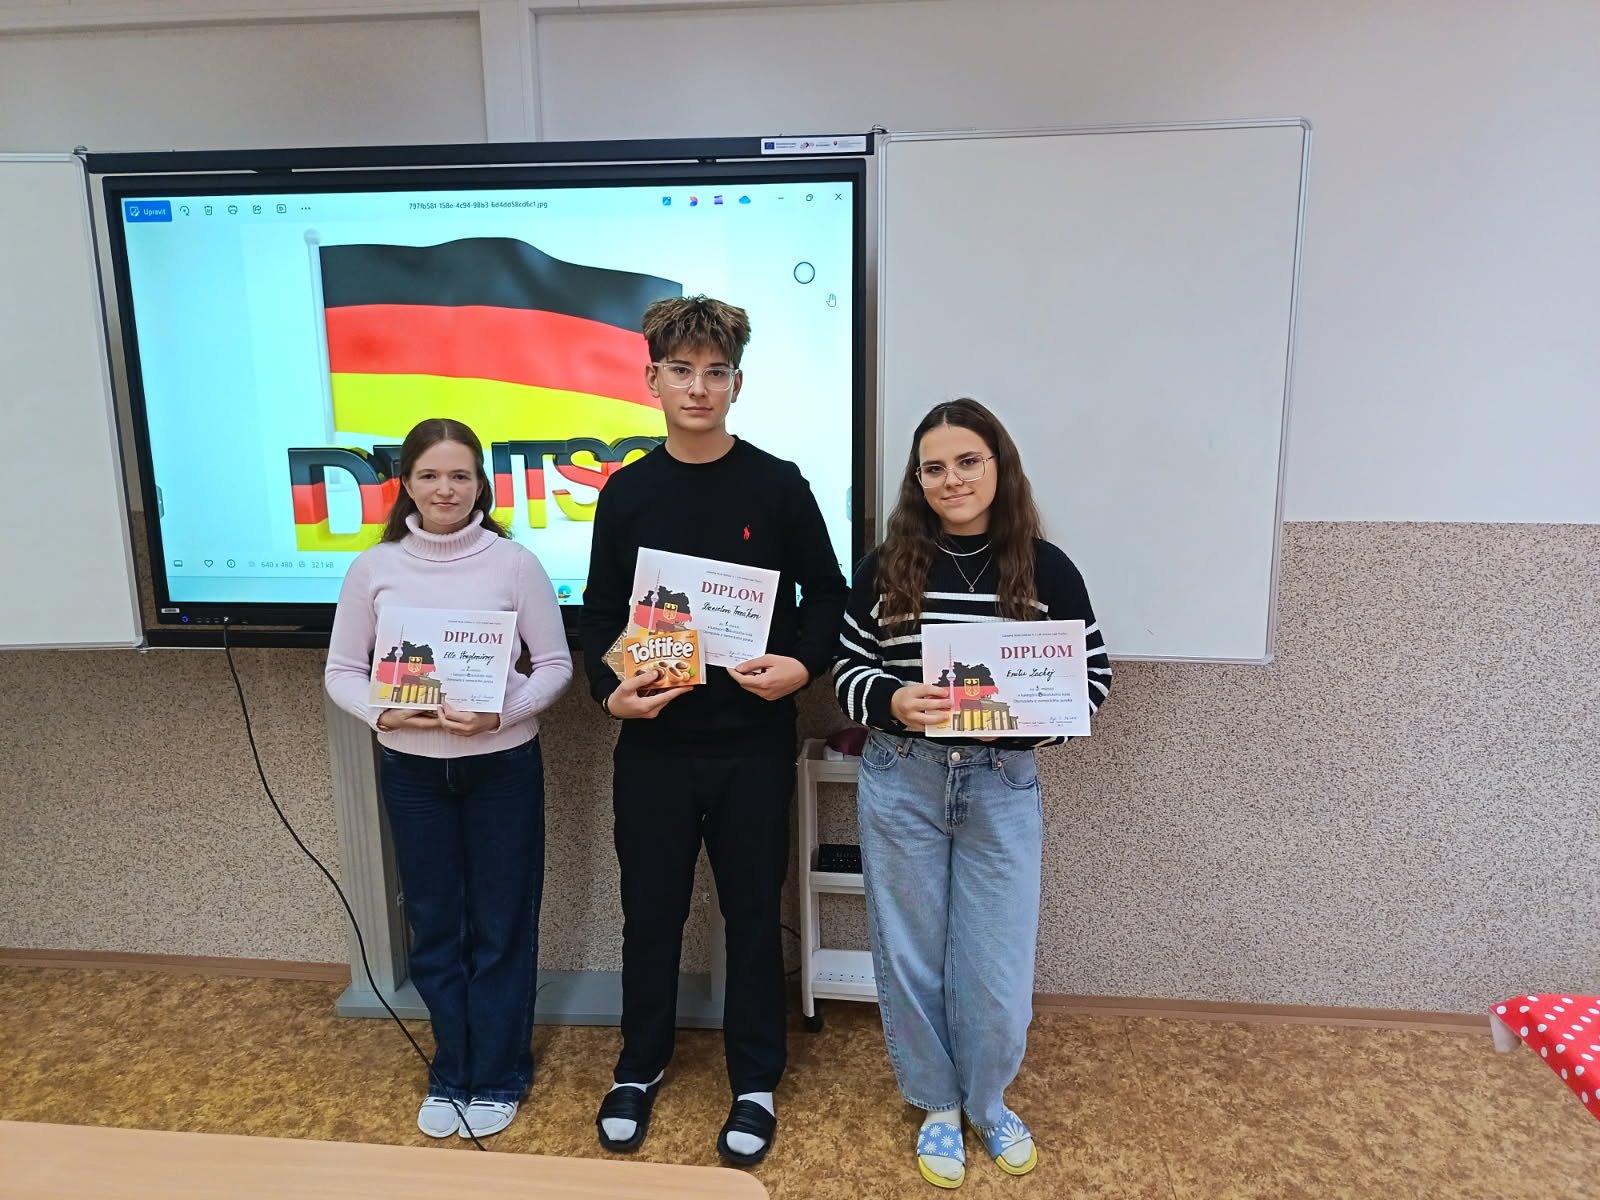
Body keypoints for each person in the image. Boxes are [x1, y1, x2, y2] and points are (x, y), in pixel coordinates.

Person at [579, 296, 848, 1166]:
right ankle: (639, 1065)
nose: (698, 387)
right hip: (655, 748)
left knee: (752, 916)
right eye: (681, 370)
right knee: (650, 916)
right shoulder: (628, 492)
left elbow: (828, 593)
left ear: (737, 383)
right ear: (651, 378)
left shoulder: (778, 484)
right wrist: (610, 693)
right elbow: (600, 612)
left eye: (715, 372)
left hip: (752, 746)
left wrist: (804, 665)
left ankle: (756, 1080)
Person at [832, 398, 1111, 1188]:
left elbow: (1093, 680)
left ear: (998, 466)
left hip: (1001, 785)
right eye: (934, 467)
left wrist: (1028, 724)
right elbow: (847, 669)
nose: (951, 479)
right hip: (904, 778)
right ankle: (937, 1105)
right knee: (910, 953)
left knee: (996, 964)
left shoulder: (1047, 568)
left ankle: (988, 1101)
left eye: (967, 461)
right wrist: (893, 699)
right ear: (917, 480)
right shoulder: (887, 566)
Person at [325, 417, 572, 1140]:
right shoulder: (374, 568)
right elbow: (341, 670)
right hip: (412, 773)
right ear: (405, 482)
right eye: (429, 475)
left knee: (501, 926)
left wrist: (502, 714)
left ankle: (497, 1075)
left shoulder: (514, 564)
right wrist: (383, 712)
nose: (445, 489)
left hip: (502, 768)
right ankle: (452, 1070)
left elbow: (554, 665)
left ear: (480, 484)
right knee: (435, 927)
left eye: (460, 475)